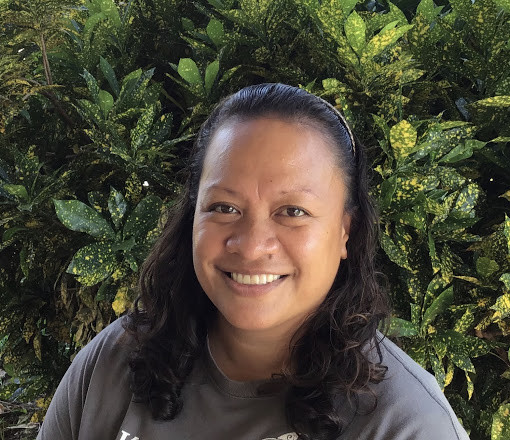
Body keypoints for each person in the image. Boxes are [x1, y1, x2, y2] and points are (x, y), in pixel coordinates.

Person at [37, 83, 470, 440]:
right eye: (225, 207)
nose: (251, 245)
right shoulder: (116, 359)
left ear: (345, 232)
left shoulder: (405, 425)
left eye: (293, 212)